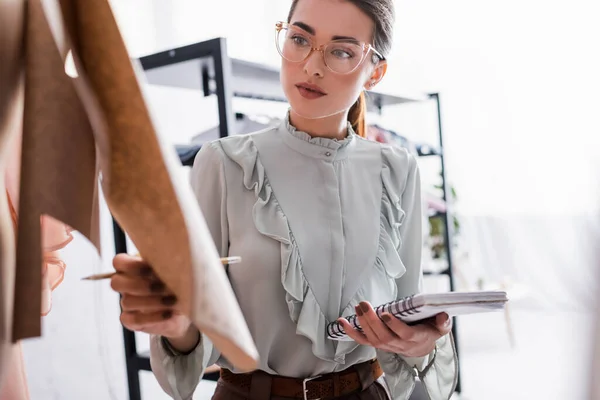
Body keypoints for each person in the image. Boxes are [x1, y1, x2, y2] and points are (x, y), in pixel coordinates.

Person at [109, 0, 458, 399]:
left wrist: (419, 343)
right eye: (299, 39)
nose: (312, 66)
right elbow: (194, 335)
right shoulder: (224, 163)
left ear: (375, 72)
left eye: (342, 51)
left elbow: (409, 313)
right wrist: (176, 326)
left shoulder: (398, 168)